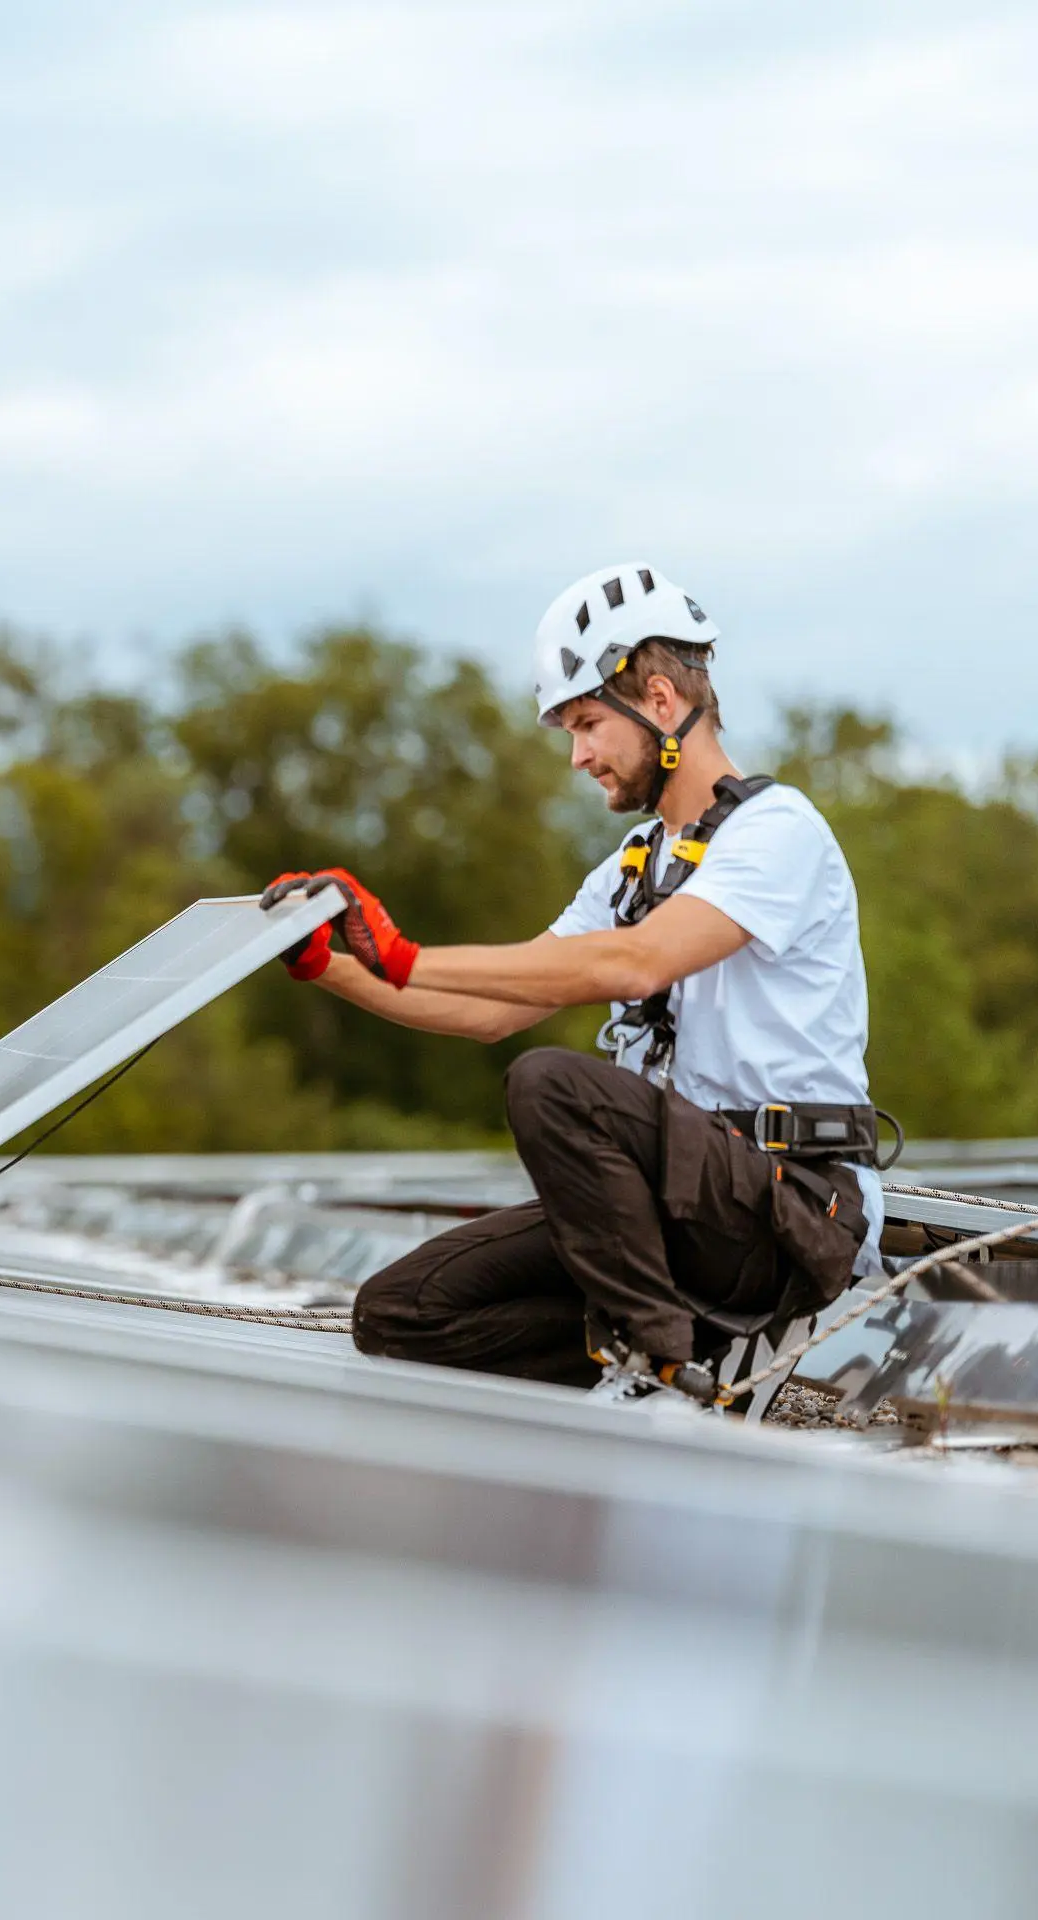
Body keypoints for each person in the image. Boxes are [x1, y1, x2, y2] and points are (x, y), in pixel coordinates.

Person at [264, 565, 885, 1398]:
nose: (576, 756)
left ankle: (652, 1358)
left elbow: (636, 962)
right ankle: (659, 1358)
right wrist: (327, 965)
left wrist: (404, 955)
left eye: (587, 723)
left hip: (790, 1210)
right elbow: (491, 1012)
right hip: (674, 1205)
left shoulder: (777, 833)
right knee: (400, 1312)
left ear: (660, 700)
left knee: (552, 1086)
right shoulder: (634, 865)